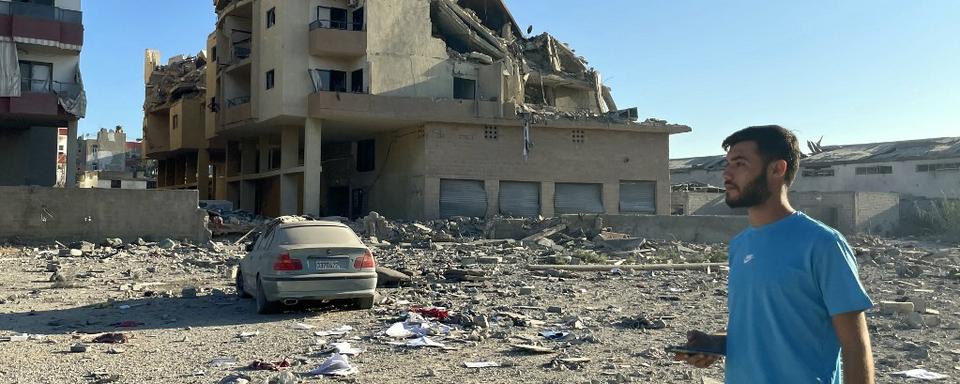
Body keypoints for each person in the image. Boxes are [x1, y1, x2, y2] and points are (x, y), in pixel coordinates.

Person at [673, 126, 875, 383]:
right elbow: (770, 332)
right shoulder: (740, 245)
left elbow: (855, 347)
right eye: (727, 164)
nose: (726, 173)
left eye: (740, 163)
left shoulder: (823, 244)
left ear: (777, 169)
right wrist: (716, 344)